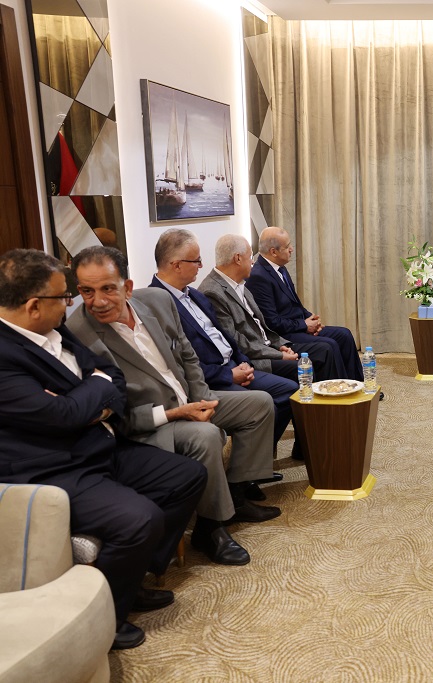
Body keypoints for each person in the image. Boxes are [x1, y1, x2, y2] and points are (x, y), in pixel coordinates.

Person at [0, 248, 207, 650]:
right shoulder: (4, 356)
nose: (71, 304)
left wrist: (88, 397)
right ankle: (104, 619)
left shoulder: (53, 329)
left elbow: (111, 376)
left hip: (98, 445)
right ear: (33, 305)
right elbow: (64, 414)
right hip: (55, 470)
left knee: (187, 476)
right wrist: (92, 389)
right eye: (66, 295)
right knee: (140, 519)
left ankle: (133, 575)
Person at [66, 246, 278, 568]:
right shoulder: (78, 333)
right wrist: (178, 413)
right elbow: (115, 414)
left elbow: (188, 356)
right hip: (153, 421)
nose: (97, 301)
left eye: (108, 288)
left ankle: (236, 495)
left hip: (189, 398)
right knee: (206, 436)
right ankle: (211, 528)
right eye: (86, 291)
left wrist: (201, 398)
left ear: (127, 287)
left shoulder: (158, 301)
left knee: (259, 404)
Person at [148, 229, 297, 458]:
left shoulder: (195, 295)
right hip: (210, 381)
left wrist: (244, 363)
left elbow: (226, 337)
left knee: (289, 391)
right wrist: (229, 375)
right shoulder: (155, 305)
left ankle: (259, 459)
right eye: (196, 260)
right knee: (264, 403)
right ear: (176, 265)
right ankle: (246, 470)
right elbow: (181, 364)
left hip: (235, 366)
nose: (201, 265)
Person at [197, 233, 335, 385]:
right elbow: (235, 340)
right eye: (250, 256)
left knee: (324, 349)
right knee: (305, 364)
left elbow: (262, 328)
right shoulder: (213, 292)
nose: (253, 261)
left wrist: (280, 346)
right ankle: (319, 399)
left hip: (269, 347)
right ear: (238, 259)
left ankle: (337, 394)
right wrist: (278, 355)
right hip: (254, 358)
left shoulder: (239, 284)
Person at [247, 226, 363, 382]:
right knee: (329, 345)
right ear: (273, 252)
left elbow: (295, 304)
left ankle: (357, 385)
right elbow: (271, 322)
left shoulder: (280, 269)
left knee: (344, 335)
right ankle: (338, 391)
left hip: (297, 327)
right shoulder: (258, 277)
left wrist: (312, 319)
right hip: (284, 336)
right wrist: (304, 325)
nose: (291, 249)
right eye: (287, 246)